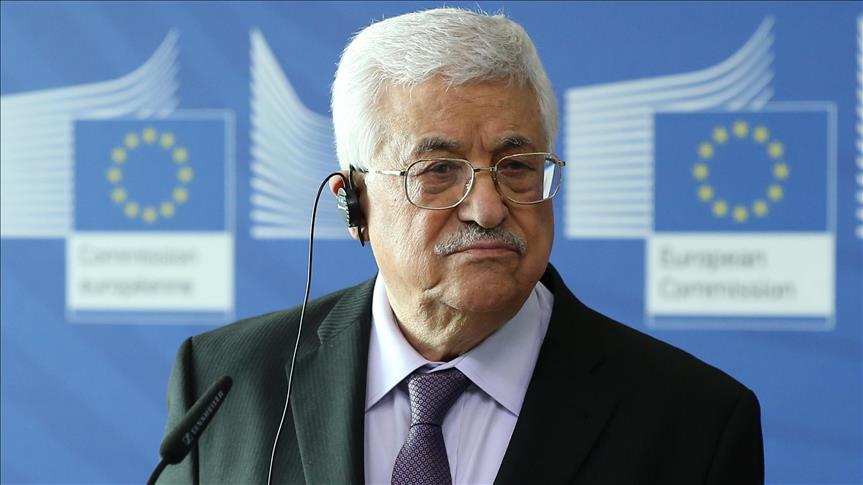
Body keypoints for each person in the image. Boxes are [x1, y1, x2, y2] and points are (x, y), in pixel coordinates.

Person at [158, 8, 763, 484]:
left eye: (516, 166)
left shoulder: (694, 420)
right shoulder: (223, 381)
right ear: (355, 203)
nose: (488, 207)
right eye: (439, 171)